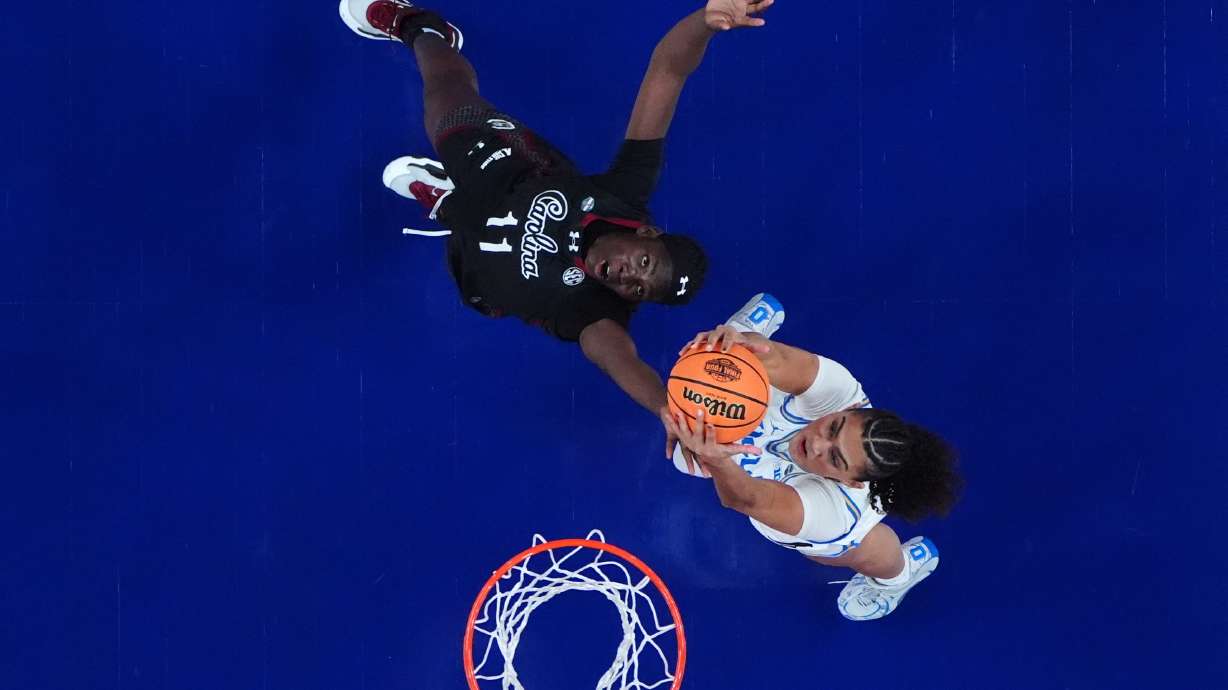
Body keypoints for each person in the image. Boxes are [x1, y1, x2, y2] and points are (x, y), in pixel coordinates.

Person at [338, 0, 775, 418]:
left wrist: (667, 409)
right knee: (444, 96)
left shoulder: (597, 314)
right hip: (505, 168)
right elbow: (667, 72)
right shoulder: (626, 193)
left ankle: (445, 199)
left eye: (639, 289)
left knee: (465, 239)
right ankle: (422, 27)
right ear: (646, 234)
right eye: (644, 262)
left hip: (482, 273)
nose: (630, 276)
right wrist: (704, 21)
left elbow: (620, 362)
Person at [662, 309, 963, 620]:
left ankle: (898, 577)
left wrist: (713, 457)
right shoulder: (840, 391)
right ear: (851, 408)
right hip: (757, 426)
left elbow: (747, 497)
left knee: (866, 551)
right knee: (738, 359)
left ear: (852, 481)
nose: (817, 444)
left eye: (835, 458)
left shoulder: (835, 512)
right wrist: (740, 346)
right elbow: (777, 358)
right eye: (833, 428)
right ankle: (742, 331)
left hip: (796, 513)